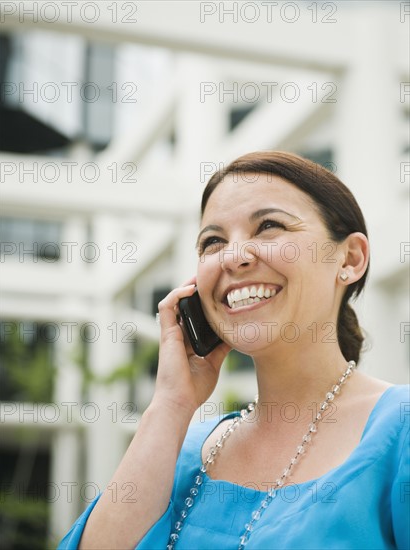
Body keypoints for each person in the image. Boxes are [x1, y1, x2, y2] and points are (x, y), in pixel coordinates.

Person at [59, 151, 409, 550]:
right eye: (213, 242)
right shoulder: (183, 448)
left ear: (350, 258)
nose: (234, 256)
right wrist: (171, 403)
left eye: (269, 226)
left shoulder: (399, 430)